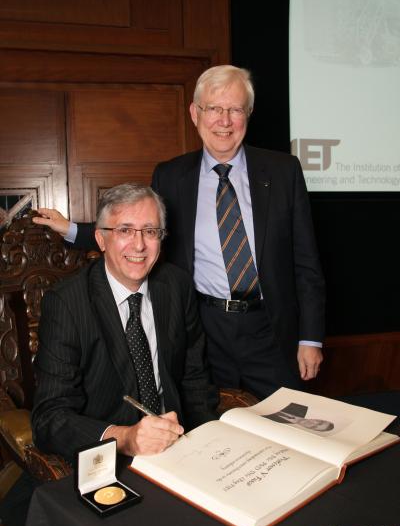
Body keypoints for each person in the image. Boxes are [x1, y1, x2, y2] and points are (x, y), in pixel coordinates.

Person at [33, 65, 325, 399]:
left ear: (249, 114)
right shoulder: (171, 176)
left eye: (235, 109)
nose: (224, 121)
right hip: (201, 330)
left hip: (272, 330)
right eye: (214, 108)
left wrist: (310, 338)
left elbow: (306, 263)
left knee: (287, 431)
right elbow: (137, 234)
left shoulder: (284, 171)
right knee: (210, 431)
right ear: (195, 114)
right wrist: (70, 229)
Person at [32, 183, 218, 462]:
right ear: (101, 239)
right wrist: (124, 438)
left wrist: (210, 443)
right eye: (124, 231)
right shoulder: (67, 304)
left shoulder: (176, 285)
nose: (140, 245)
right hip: (109, 458)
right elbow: (49, 419)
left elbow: (195, 379)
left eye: (150, 231)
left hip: (180, 447)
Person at [263, 403, 334, 432]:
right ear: (319, 419)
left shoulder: (280, 428)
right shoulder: (301, 407)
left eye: (314, 426)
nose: (312, 423)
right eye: (320, 422)